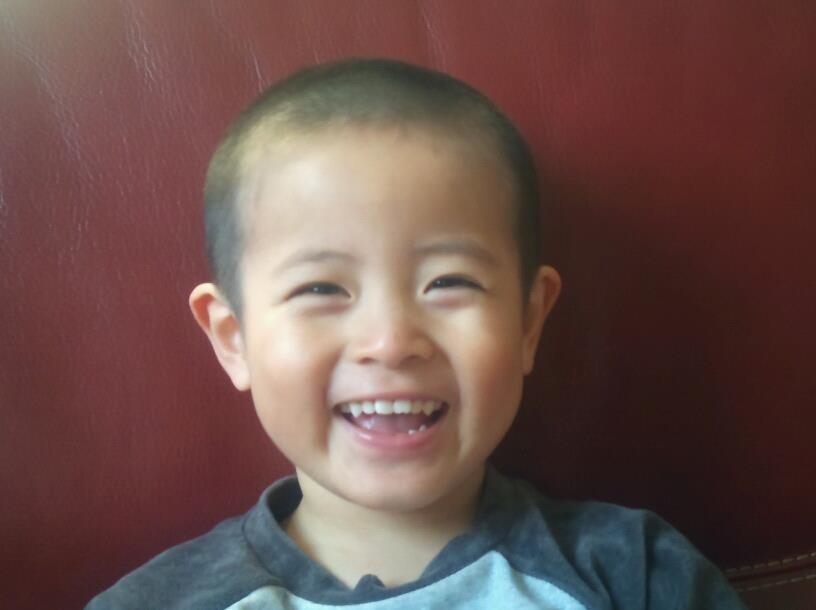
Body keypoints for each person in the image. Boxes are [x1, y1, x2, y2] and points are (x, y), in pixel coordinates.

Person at [87, 58, 747, 609]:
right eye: (321, 290)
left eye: (449, 282)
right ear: (234, 338)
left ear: (528, 323)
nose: (391, 341)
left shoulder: (636, 574)